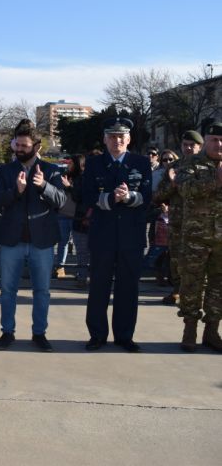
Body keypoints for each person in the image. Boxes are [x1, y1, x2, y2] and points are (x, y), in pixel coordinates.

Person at [0, 120, 66, 352]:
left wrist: (43, 185)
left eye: (25, 145)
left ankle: (39, 333)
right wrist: (16, 191)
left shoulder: (52, 170)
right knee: (7, 290)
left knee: (42, 290)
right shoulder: (5, 171)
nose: (20, 149)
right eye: (17, 145)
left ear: (37, 146)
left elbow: (62, 201)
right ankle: (7, 331)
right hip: (11, 240)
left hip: (41, 241)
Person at [82, 118, 152, 352]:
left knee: (128, 288)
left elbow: (147, 198)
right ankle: (97, 335)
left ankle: (124, 336)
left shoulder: (141, 163)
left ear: (129, 139)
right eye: (112, 136)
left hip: (131, 237)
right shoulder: (94, 164)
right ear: (105, 139)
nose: (117, 140)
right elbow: (87, 197)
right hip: (103, 236)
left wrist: (129, 197)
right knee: (98, 288)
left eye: (121, 136)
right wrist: (112, 198)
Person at [174, 118, 222, 352]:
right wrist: (215, 180)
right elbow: (184, 189)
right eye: (214, 140)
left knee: (219, 287)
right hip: (195, 239)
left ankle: (212, 330)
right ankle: (190, 329)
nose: (219, 145)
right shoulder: (190, 164)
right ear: (205, 142)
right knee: (191, 284)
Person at [153, 130, 204, 305]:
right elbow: (158, 195)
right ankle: (177, 291)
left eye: (192, 145)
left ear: (200, 146)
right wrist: (172, 185)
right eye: (185, 145)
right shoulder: (174, 168)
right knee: (176, 259)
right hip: (177, 223)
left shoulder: (208, 167)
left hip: (202, 225)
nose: (188, 148)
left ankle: (199, 294)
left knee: (199, 260)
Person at [67, 154, 90, 288]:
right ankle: (84, 276)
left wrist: (68, 187)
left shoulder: (82, 178)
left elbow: (77, 197)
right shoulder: (80, 177)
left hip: (82, 218)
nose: (69, 165)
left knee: (82, 251)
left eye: (71, 163)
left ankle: (82, 278)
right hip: (83, 218)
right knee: (85, 251)